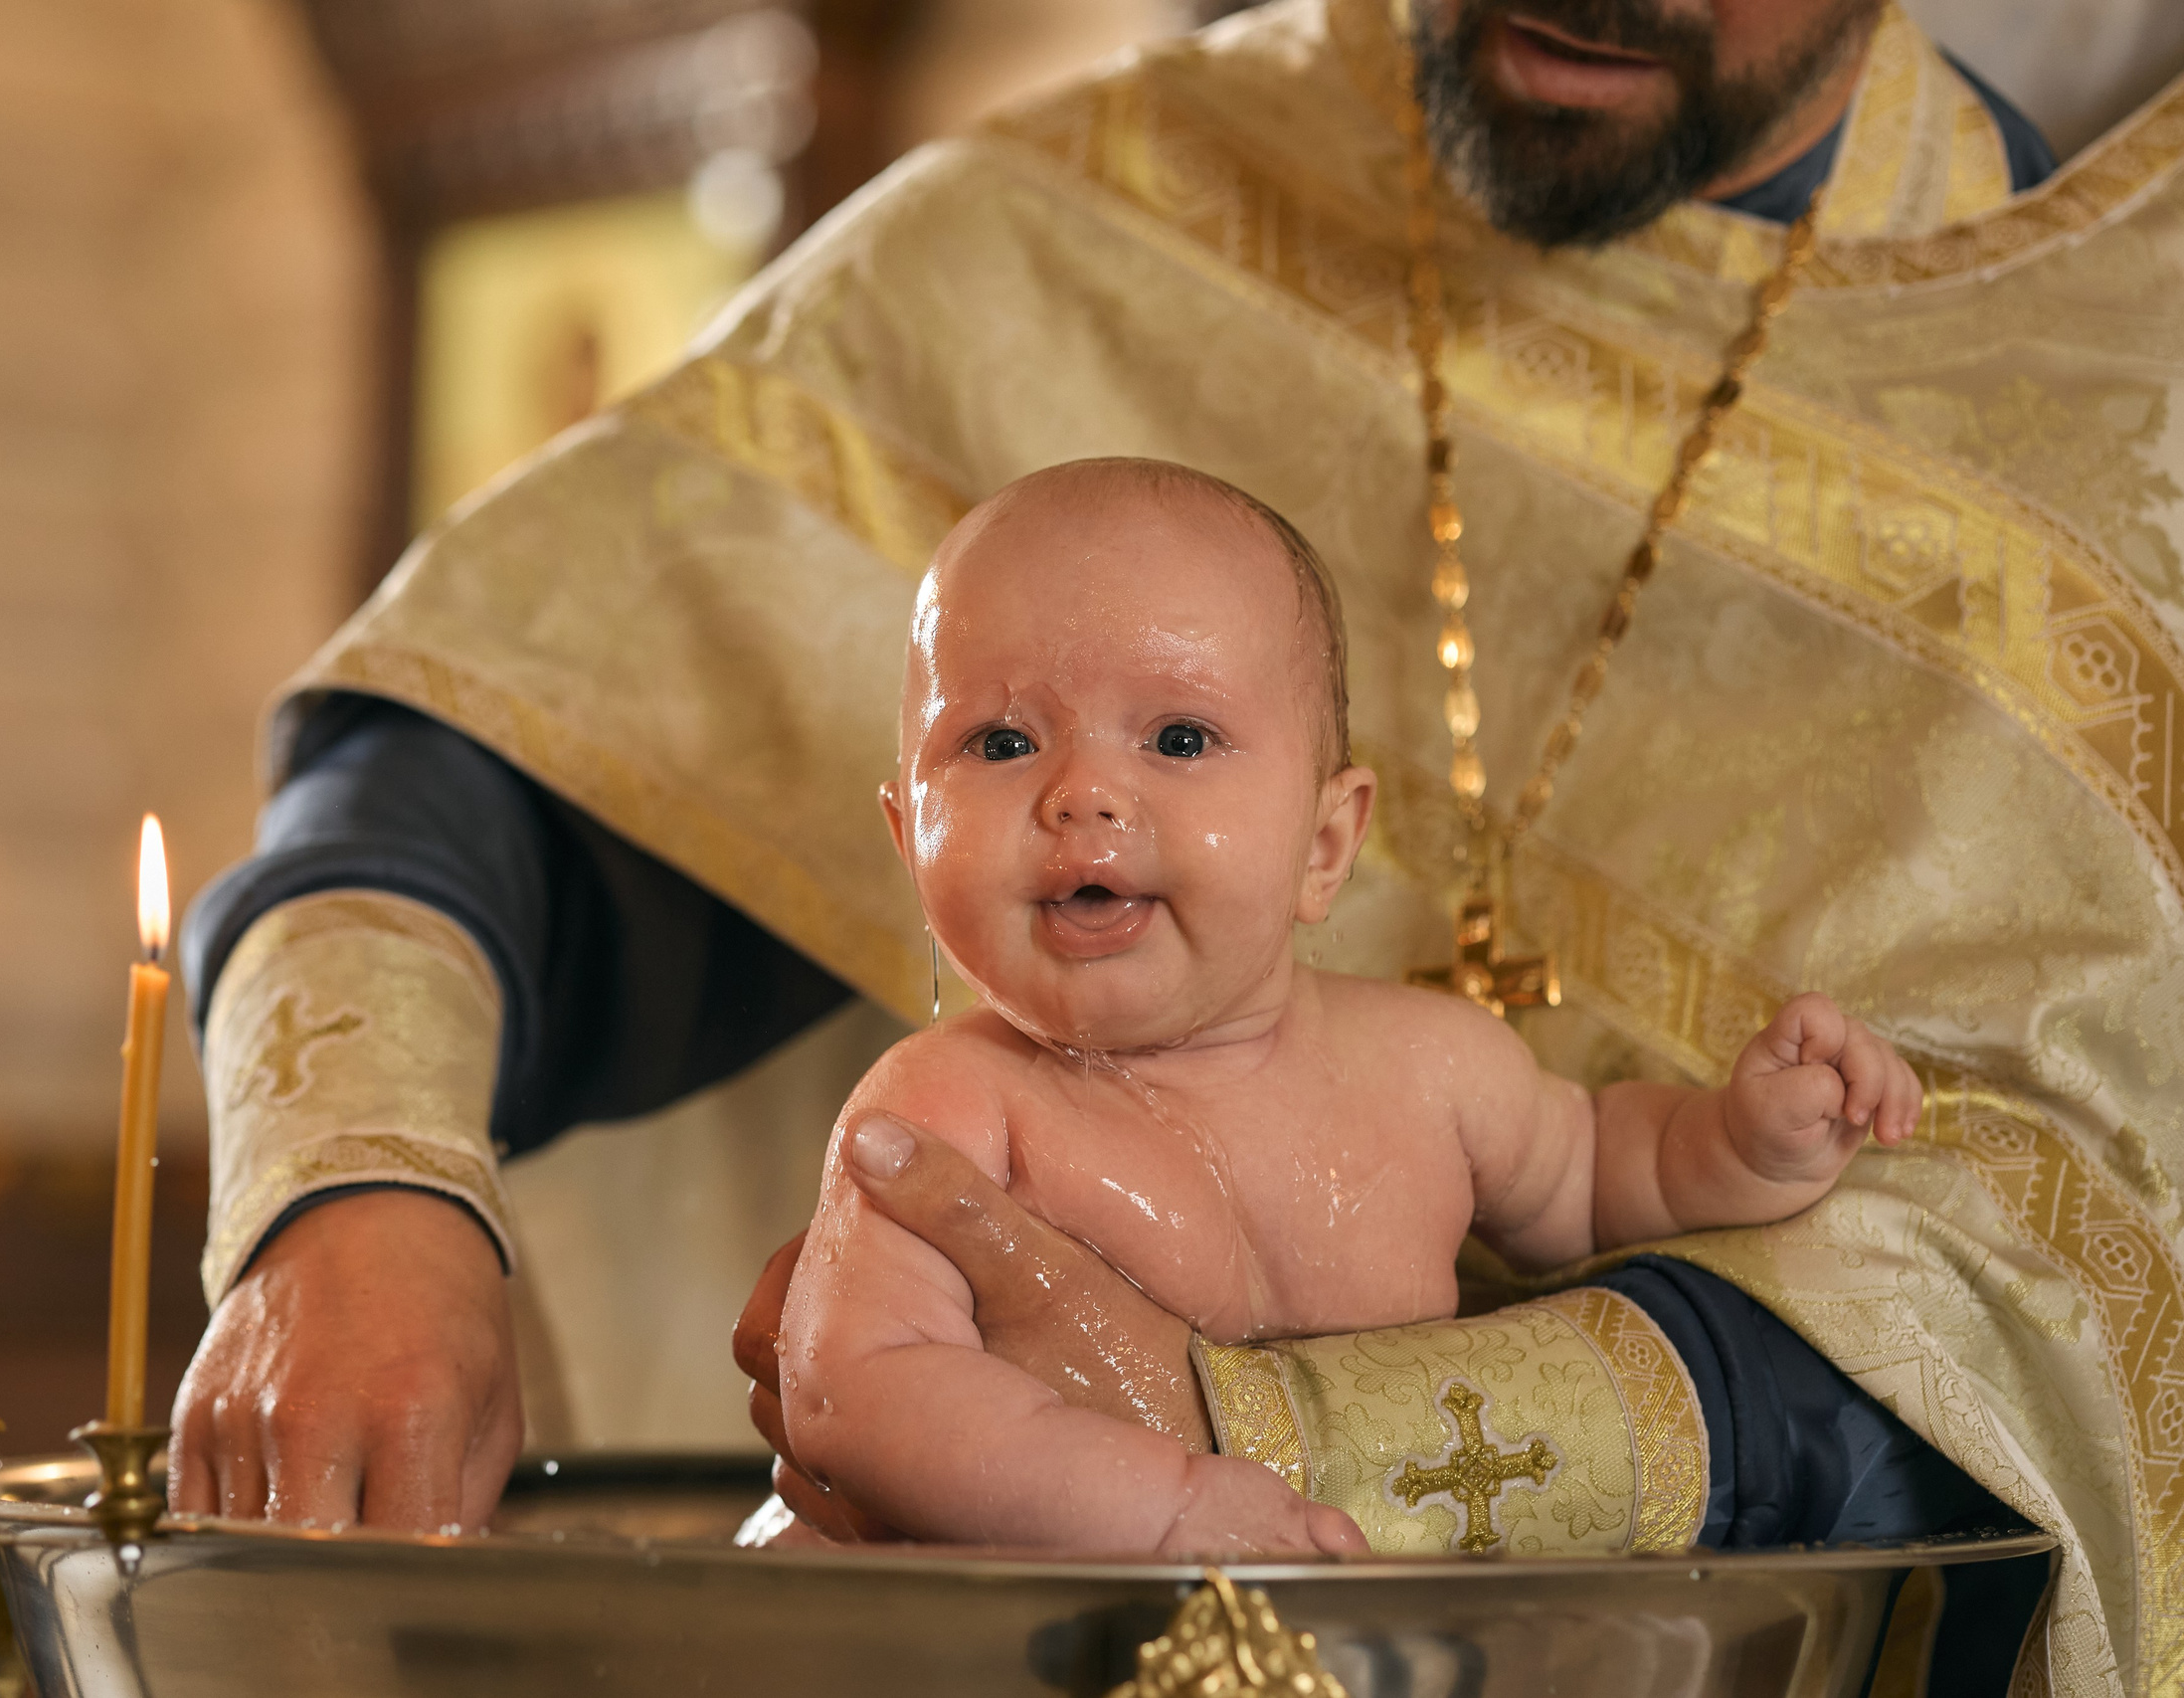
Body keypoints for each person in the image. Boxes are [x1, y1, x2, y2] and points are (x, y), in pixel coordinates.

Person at [169, 0, 2180, 1689]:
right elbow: (478, 762)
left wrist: (1271, 1433)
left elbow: (2034, 1311)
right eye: (1008, 743)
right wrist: (359, 1184)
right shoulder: (1089, 233)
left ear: (1328, 835)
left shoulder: (2122, 405)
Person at [780, 457, 1918, 1554]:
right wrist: (1162, 1509)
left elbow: (1599, 1182)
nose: (1082, 795)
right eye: (1001, 742)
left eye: (1178, 738)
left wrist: (1744, 1145)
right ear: (907, 840)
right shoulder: (945, 1112)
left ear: (1325, 845)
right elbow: (852, 1386)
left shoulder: (1434, 1068)